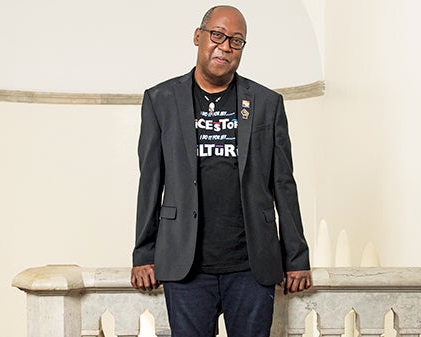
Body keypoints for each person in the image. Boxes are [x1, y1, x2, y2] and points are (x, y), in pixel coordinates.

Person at [131, 5, 311, 337]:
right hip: (186, 268)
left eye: (236, 41)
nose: (225, 46)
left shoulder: (267, 103)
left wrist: (296, 256)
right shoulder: (161, 99)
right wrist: (144, 252)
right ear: (198, 37)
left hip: (251, 267)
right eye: (218, 35)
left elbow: (283, 183)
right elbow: (150, 181)